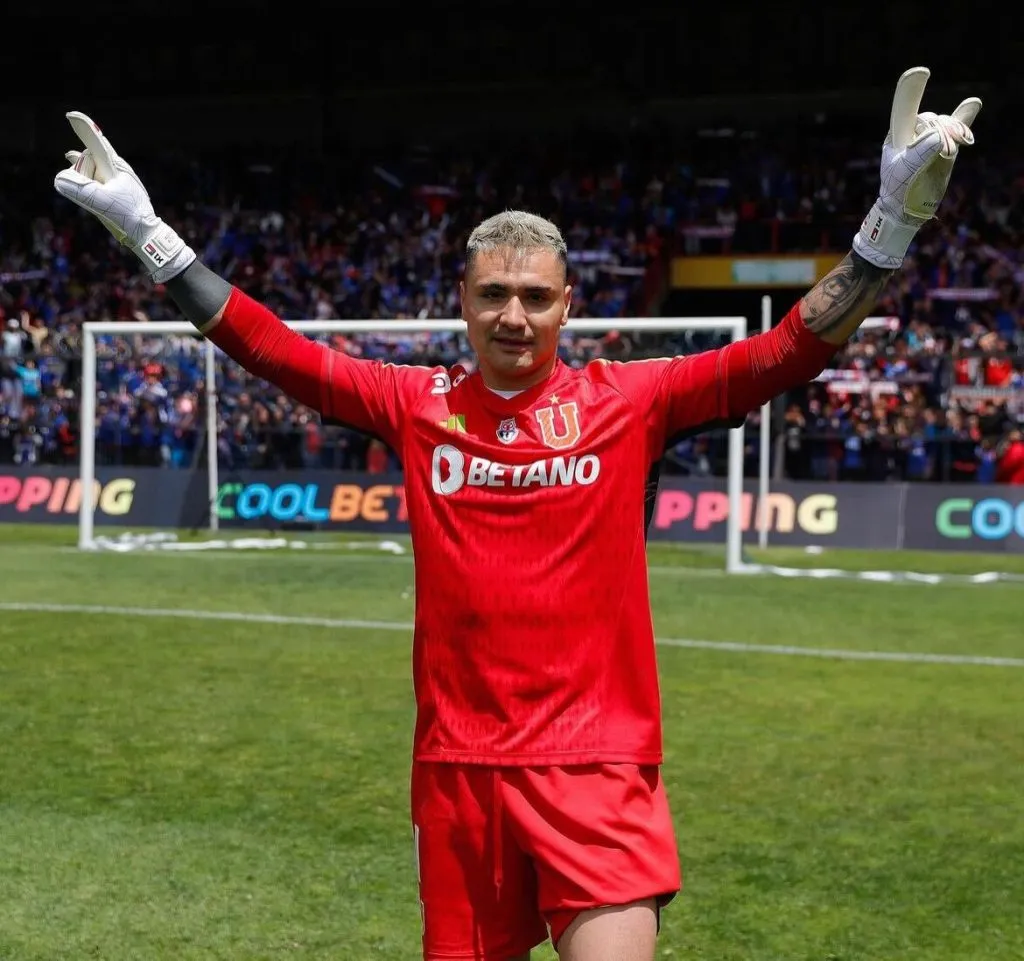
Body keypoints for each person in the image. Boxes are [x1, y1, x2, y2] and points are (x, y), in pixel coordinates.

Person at [53, 67, 979, 961]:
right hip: (458, 774)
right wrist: (148, 232)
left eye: (536, 296)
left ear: (567, 305)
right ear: (462, 301)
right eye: (494, 293)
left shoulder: (631, 400)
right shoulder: (411, 402)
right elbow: (271, 348)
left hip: (600, 768)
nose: (514, 315)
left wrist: (892, 222)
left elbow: (788, 348)